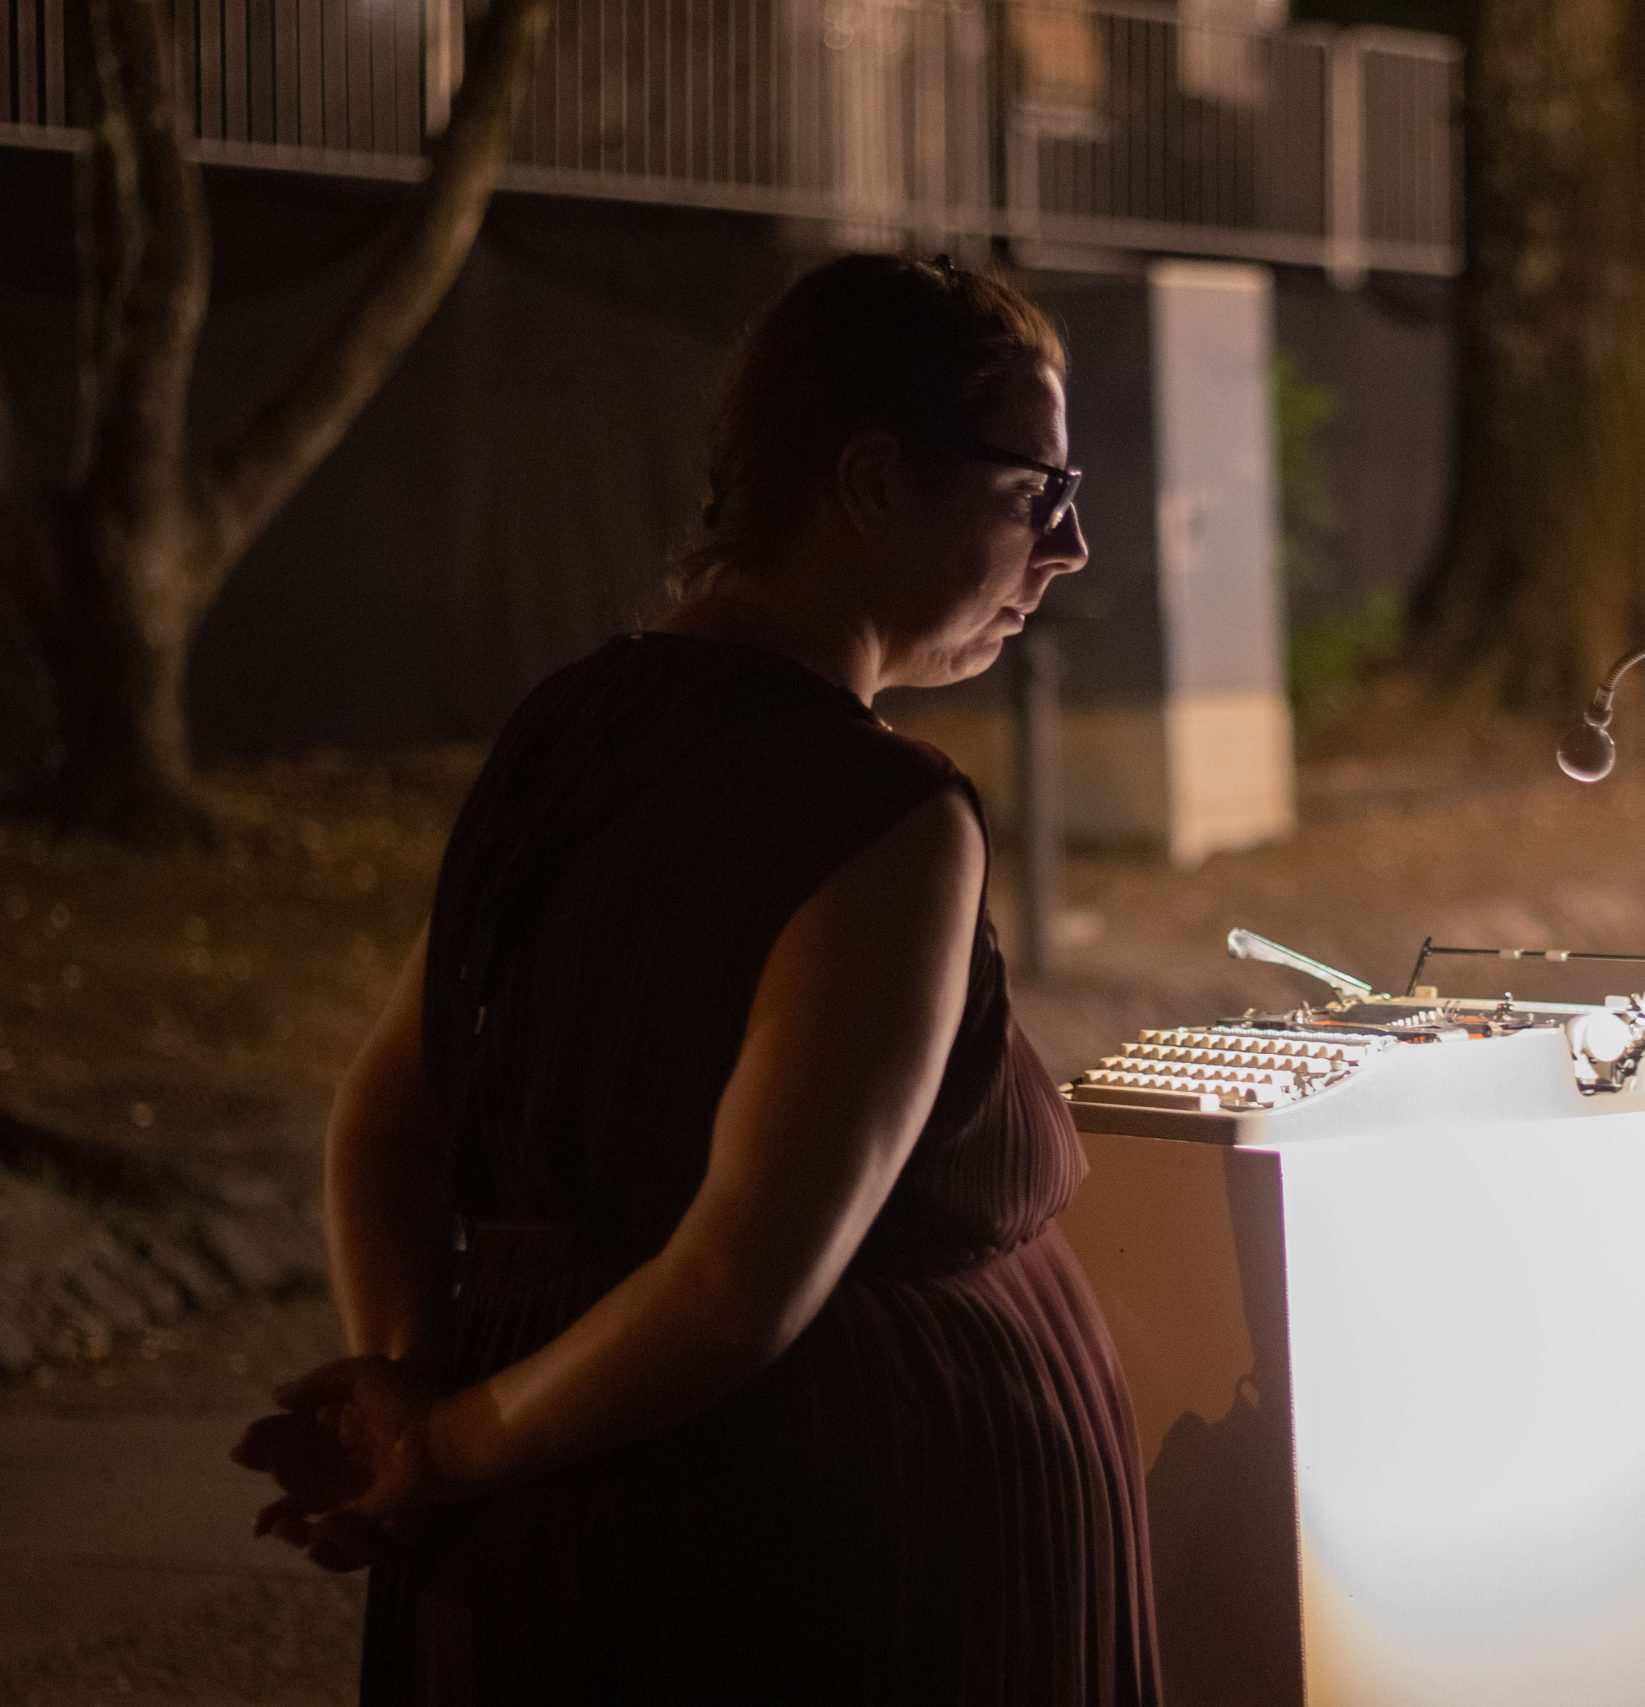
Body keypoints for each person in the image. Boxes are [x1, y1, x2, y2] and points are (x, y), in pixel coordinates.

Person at [231, 254, 1160, 1704]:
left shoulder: (566, 730)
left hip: (548, 1544)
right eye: (1038, 490)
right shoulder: (878, 813)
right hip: (814, 1562)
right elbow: (739, 1282)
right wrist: (439, 1447)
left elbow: (380, 1119)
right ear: (870, 481)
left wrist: (420, 1394)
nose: (1072, 546)